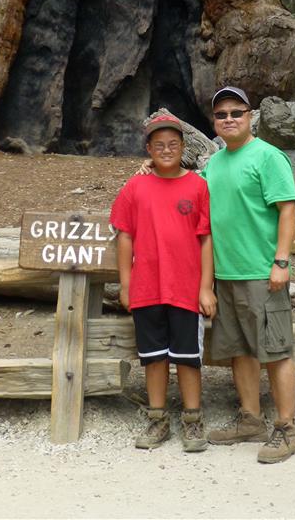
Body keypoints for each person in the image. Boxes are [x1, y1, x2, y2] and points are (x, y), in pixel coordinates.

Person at [203, 86, 295, 464]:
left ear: (250, 116)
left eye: (236, 112)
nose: (229, 119)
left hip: (262, 272)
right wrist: (150, 167)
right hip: (226, 274)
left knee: (276, 351)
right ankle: (250, 419)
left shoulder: (268, 157)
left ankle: (287, 429)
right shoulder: (215, 163)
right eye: (221, 114)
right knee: (240, 350)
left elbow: (288, 210)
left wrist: (281, 262)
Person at [110, 114, 216, 452]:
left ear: (183, 147)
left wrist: (205, 287)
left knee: (187, 357)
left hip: (185, 289)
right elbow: (124, 236)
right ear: (148, 149)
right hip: (147, 288)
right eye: (159, 145)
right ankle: (157, 419)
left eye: (173, 144)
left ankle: (192, 419)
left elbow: (206, 238)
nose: (166, 150)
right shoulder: (135, 187)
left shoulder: (197, 186)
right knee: (153, 357)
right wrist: (125, 284)